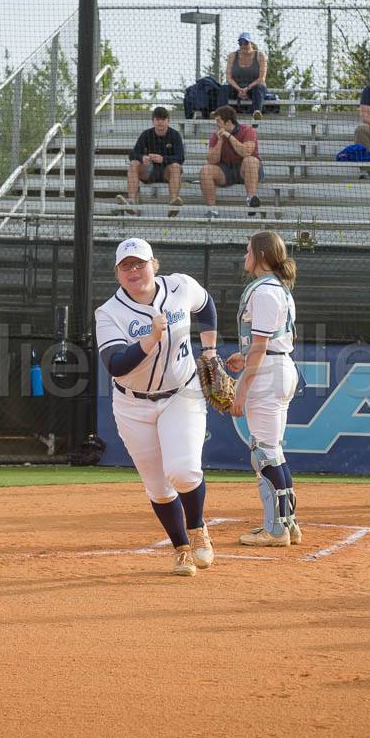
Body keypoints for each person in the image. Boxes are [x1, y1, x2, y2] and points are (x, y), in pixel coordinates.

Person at [94, 238, 220, 577]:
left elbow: (206, 305)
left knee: (183, 470)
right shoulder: (109, 313)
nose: (134, 271)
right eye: (126, 266)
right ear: (118, 273)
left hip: (182, 392)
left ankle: (197, 530)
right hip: (133, 405)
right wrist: (149, 340)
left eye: (140, 263)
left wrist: (209, 350)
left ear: (155, 264)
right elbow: (116, 364)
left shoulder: (180, 286)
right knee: (158, 486)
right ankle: (181, 549)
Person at [227, 231, 302, 546]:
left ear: (259, 255)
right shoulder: (276, 289)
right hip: (277, 368)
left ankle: (276, 530)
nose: (245, 256)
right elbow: (264, 344)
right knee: (273, 451)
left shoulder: (265, 291)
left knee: (264, 454)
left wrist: (242, 388)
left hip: (269, 373)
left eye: (248, 251)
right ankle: (288, 523)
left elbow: (260, 347)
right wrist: (243, 357)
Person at [116, 106, 185, 217]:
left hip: (167, 172)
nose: (160, 122)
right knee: (134, 164)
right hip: (149, 171)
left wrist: (163, 159)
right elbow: (132, 154)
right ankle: (131, 203)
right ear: (153, 121)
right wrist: (142, 158)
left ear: (168, 121)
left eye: (163, 119)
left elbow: (181, 158)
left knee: (176, 166)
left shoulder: (175, 135)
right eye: (157, 119)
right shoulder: (146, 134)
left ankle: (173, 204)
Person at [201, 105, 263, 217]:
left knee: (250, 161)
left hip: (248, 170)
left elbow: (246, 152)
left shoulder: (248, 131)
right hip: (226, 170)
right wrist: (220, 141)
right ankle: (212, 210)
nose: (216, 124)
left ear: (228, 122)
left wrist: (229, 136)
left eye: (218, 121)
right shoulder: (216, 135)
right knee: (205, 170)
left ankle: (251, 199)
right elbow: (211, 160)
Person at [223, 32, 268, 120]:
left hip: (254, 87)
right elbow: (228, 77)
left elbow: (261, 78)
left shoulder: (260, 55)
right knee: (223, 88)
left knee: (258, 88)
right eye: (240, 43)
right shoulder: (232, 56)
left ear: (250, 43)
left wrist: (247, 88)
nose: (243, 45)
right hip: (237, 88)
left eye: (246, 43)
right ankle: (221, 113)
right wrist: (239, 89)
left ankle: (256, 112)